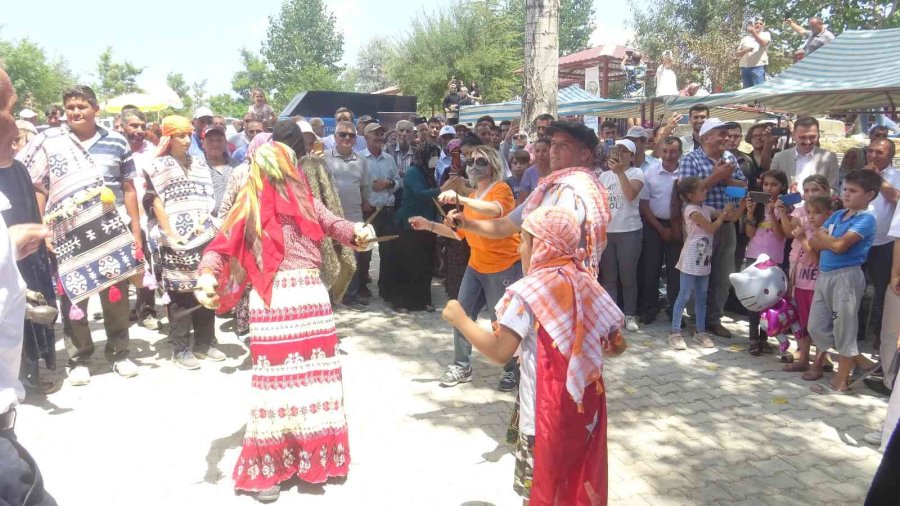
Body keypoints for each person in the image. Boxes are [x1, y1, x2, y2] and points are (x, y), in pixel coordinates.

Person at [196, 141, 374, 503]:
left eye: (285, 167)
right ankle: (268, 468)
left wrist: (357, 233)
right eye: (272, 167)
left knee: (315, 384)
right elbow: (220, 245)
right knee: (274, 389)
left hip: (311, 299)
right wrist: (206, 276)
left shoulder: (305, 198)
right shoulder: (249, 203)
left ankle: (314, 460)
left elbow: (333, 223)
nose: (280, 175)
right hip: (272, 300)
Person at [441, 205, 625, 505]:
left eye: (524, 241)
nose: (520, 248)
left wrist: (461, 320)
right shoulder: (585, 280)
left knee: (540, 488)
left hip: (544, 412)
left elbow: (501, 352)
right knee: (573, 478)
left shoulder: (528, 294)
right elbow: (616, 345)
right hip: (584, 408)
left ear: (543, 245)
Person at [19, 85, 143, 385]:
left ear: (95, 109)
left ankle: (119, 351)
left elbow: (128, 188)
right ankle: (79, 357)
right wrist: (43, 229)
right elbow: (39, 186)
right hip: (68, 231)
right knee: (74, 295)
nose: (75, 112)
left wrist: (136, 233)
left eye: (82, 107)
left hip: (111, 230)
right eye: (70, 107)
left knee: (115, 296)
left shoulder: (116, 142)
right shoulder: (52, 141)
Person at [413, 146, 524, 390]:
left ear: (493, 165)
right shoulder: (473, 199)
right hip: (476, 265)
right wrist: (429, 225)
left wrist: (459, 197)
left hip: (504, 267)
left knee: (503, 321)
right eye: (470, 161)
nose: (473, 165)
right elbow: (459, 233)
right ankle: (461, 366)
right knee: (461, 315)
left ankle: (512, 368)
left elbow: (497, 210)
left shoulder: (501, 189)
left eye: (480, 161)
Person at [448, 121, 610, 277]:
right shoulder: (550, 187)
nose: (554, 150)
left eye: (564, 145)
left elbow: (550, 248)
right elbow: (505, 226)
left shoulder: (572, 188)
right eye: (553, 143)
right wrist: (466, 224)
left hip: (561, 286)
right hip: (550, 282)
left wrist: (526, 243)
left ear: (585, 155)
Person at [144, 116, 221, 370]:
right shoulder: (158, 165)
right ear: (168, 137)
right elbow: (155, 201)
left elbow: (208, 198)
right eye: (180, 135)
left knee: (205, 287)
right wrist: (170, 233)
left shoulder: (199, 164)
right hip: (174, 239)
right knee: (180, 295)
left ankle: (205, 341)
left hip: (202, 236)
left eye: (189, 134)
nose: (186, 140)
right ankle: (181, 347)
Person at [806, 169, 882, 393]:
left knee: (844, 327)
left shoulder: (866, 219)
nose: (846, 194)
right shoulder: (838, 216)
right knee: (816, 326)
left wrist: (827, 240)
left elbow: (840, 247)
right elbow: (815, 242)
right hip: (825, 274)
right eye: (845, 189)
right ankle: (858, 358)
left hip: (846, 277)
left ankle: (841, 380)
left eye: (853, 191)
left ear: (869, 194)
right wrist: (829, 240)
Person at [679, 118, 748, 338]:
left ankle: (714, 319)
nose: (726, 138)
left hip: (726, 224)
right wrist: (716, 177)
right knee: (696, 272)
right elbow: (686, 193)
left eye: (727, 134)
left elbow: (743, 187)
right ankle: (695, 318)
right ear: (706, 137)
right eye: (721, 134)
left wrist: (726, 179)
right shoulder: (690, 159)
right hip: (700, 228)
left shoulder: (729, 158)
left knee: (722, 275)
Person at [668, 177, 738, 349]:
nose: (705, 191)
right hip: (691, 258)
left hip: (704, 259)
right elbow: (711, 228)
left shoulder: (705, 208)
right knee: (684, 295)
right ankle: (675, 332)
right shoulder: (691, 210)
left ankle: (700, 332)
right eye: (701, 189)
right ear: (691, 195)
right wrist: (722, 215)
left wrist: (743, 203)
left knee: (701, 296)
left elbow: (732, 217)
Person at [777, 182, 833, 372]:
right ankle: (803, 359)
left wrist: (802, 238)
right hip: (801, 281)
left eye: (815, 213)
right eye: (808, 213)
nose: (810, 217)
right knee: (803, 321)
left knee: (818, 324)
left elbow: (817, 259)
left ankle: (820, 361)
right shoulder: (806, 227)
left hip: (816, 284)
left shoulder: (826, 234)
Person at [118, 107, 160, 330]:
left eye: (143, 126)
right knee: (120, 266)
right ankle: (122, 311)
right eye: (134, 126)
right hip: (119, 215)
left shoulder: (151, 151)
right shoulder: (116, 150)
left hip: (146, 218)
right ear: (122, 125)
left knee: (146, 263)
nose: (139, 131)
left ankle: (147, 311)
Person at [598, 139, 645, 332]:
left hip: (629, 231)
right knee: (609, 277)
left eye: (625, 151)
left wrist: (620, 173)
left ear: (632, 156)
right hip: (608, 232)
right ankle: (611, 315)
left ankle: (630, 314)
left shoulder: (637, 173)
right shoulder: (603, 176)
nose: (620, 153)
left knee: (628, 275)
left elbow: (630, 195)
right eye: (617, 150)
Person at [325, 121, 372, 308]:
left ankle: (350, 296)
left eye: (351, 135)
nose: (347, 138)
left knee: (354, 257)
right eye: (342, 134)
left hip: (354, 216)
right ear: (335, 137)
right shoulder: (324, 158)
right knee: (331, 256)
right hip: (330, 216)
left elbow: (364, 188)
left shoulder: (361, 161)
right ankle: (329, 296)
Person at [743, 170, 789, 355]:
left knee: (770, 299)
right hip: (754, 256)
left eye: (774, 184)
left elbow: (780, 235)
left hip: (774, 258)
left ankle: (765, 336)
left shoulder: (785, 208)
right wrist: (751, 212)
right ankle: (753, 338)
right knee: (754, 298)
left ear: (783, 187)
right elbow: (749, 233)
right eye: (766, 184)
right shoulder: (758, 205)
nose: (769, 188)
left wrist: (772, 212)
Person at [859, 138, 900, 343]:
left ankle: (879, 335)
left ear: (890, 155)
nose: (873, 156)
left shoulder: (897, 175)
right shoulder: (859, 175)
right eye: (870, 151)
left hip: (885, 243)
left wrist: (878, 180)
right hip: (858, 240)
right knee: (855, 287)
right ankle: (855, 332)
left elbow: (897, 199)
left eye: (879, 153)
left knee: (883, 290)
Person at [638, 136, 683, 324]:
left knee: (676, 271)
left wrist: (674, 227)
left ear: (680, 152)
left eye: (673, 151)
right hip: (654, 225)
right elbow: (644, 204)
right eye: (665, 151)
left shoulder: (686, 173)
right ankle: (650, 308)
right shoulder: (650, 172)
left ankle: (675, 310)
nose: (669, 155)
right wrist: (660, 228)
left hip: (679, 226)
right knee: (651, 269)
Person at [360, 122, 402, 300]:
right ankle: (361, 289)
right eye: (375, 134)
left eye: (381, 134)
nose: (379, 138)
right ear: (366, 137)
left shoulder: (389, 159)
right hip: (368, 211)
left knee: (389, 251)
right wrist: (363, 202)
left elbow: (399, 181)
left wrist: (389, 183)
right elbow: (356, 184)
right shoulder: (359, 158)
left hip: (386, 210)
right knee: (363, 252)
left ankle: (386, 289)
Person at [770, 116, 839, 191]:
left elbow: (833, 190)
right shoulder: (780, 157)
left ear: (818, 135)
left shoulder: (829, 158)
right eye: (802, 138)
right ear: (793, 136)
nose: (808, 142)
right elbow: (772, 186)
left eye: (812, 137)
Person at [201, 126, 239, 217]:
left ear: (225, 142)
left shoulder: (237, 166)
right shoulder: (197, 167)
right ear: (202, 143)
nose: (215, 144)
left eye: (219, 140)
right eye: (210, 140)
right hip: (208, 222)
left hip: (235, 220)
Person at [736, 18, 771, 89]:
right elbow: (737, 54)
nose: (758, 25)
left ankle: (761, 100)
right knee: (747, 92)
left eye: (760, 24)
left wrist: (753, 33)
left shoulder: (765, 34)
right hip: (745, 67)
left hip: (758, 67)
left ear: (762, 27)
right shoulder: (745, 38)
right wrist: (746, 50)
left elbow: (763, 43)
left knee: (760, 89)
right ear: (753, 25)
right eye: (756, 23)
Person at [519, 137, 551, 204]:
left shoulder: (557, 171)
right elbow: (523, 201)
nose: (540, 154)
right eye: (537, 151)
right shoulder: (528, 173)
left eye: (544, 151)